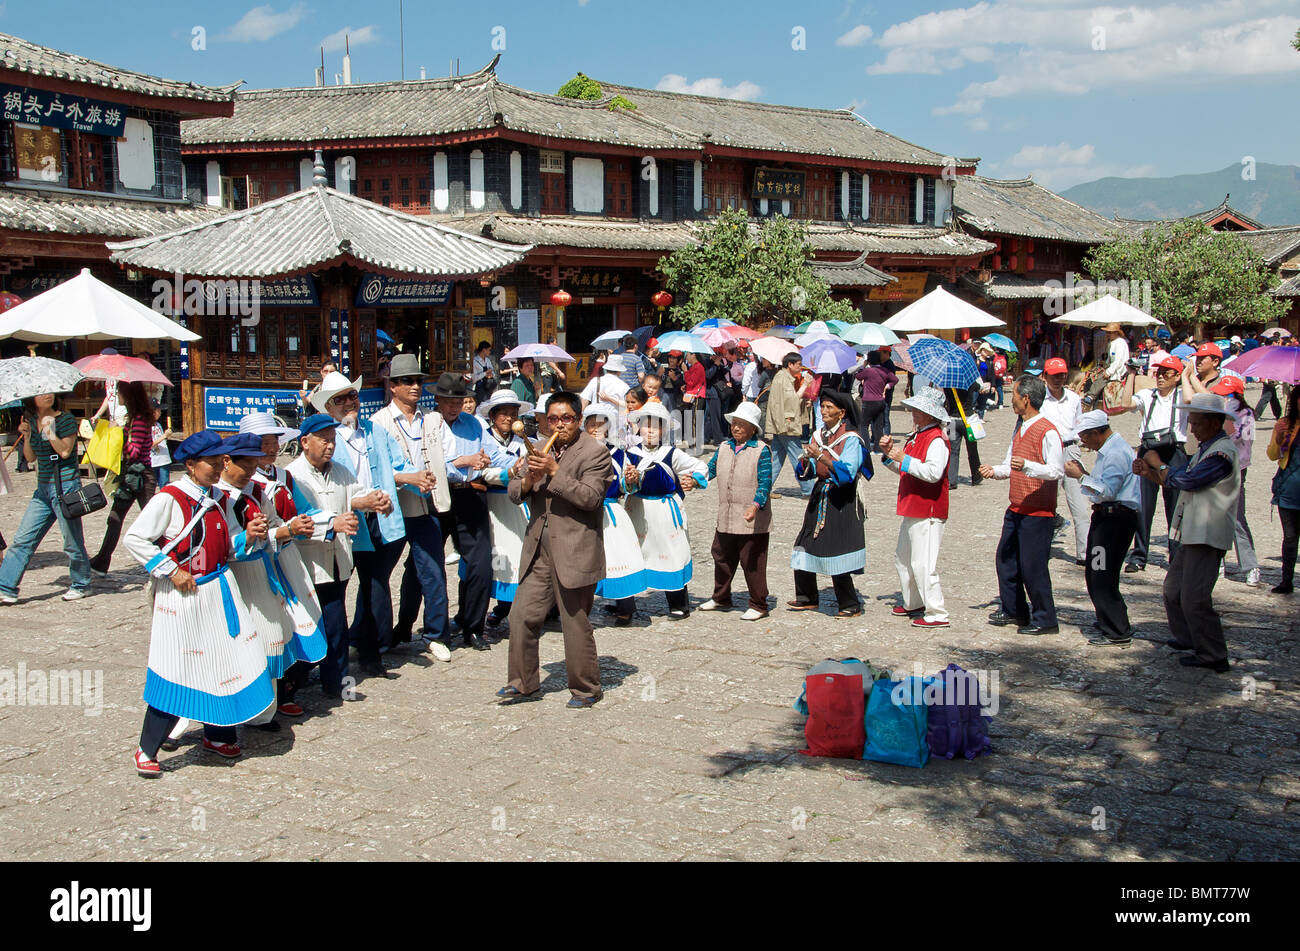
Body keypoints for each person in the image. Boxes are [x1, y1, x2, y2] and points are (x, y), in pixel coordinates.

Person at [122, 431, 276, 776]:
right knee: (177, 666)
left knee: (222, 662)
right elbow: (135, 538)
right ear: (191, 464)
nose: (220, 466)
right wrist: (171, 571)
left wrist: (247, 537)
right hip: (183, 596)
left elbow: (226, 547)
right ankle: (148, 747)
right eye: (212, 461)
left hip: (219, 590)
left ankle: (217, 734)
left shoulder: (219, 498)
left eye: (222, 460)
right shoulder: (170, 498)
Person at [498, 391, 616, 708]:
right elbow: (513, 492)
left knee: (574, 621)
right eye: (552, 419)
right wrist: (528, 479)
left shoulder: (595, 453)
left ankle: (586, 689)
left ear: (579, 421)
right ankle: (523, 683)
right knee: (521, 615)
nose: (559, 425)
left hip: (576, 548)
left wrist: (553, 472)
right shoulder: (537, 448)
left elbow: (590, 498)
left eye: (566, 418)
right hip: (539, 546)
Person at [313, 368, 418, 674]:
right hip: (344, 523)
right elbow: (321, 489)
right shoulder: (326, 441)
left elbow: (397, 465)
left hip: (378, 521)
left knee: (375, 587)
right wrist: (356, 501)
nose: (349, 403)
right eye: (340, 399)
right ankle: (328, 661)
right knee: (334, 592)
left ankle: (373, 653)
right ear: (328, 407)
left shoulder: (374, 431)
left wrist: (414, 478)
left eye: (352, 395)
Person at [286, 414, 395, 698]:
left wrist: (374, 500)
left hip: (337, 563)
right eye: (324, 440)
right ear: (305, 442)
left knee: (336, 626)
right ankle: (291, 682)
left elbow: (354, 493)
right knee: (304, 628)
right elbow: (300, 517)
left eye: (333, 440)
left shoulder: (340, 471)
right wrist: (333, 523)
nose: (330, 446)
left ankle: (336, 684)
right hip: (307, 566)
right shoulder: (293, 475)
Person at [1133, 393, 1241, 673]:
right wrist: (1150, 473)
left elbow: (1187, 480)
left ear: (1215, 422)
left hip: (1207, 533)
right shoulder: (1208, 448)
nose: (1192, 428)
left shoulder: (1221, 453)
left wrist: (1158, 464)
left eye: (1196, 422)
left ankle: (1213, 653)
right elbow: (1178, 479)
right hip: (1191, 532)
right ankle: (1188, 638)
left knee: (1194, 597)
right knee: (1173, 590)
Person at [368, 359, 454, 661]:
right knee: (378, 575)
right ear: (393, 386)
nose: (415, 386)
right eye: (407, 381)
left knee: (432, 571)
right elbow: (372, 471)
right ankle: (373, 639)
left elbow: (450, 456)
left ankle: (435, 633)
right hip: (391, 508)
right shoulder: (378, 422)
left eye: (417, 380)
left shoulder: (432, 419)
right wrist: (408, 477)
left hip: (425, 505)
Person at [980, 374, 1064, 636]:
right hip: (1016, 506)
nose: (1012, 399)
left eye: (1015, 395)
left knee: (1033, 566)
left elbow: (1056, 470)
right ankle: (1014, 608)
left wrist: (1028, 466)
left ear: (1026, 399)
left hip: (1038, 511)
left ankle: (1045, 617)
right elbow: (1010, 463)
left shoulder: (1048, 430)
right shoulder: (1021, 428)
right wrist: (995, 471)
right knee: (1006, 560)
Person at [0, 394, 91, 605]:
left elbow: (66, 451)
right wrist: (29, 434)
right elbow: (31, 458)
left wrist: (49, 429)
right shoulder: (32, 421)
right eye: (42, 393)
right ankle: (6, 587)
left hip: (65, 487)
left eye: (50, 392)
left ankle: (81, 584)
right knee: (23, 538)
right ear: (33, 400)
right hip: (42, 490)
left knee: (71, 541)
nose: (48, 395)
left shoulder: (65, 419)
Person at [621, 402, 709, 620]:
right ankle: (624, 605)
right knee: (631, 554)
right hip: (638, 512)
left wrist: (694, 481)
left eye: (656, 427)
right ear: (638, 428)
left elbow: (700, 467)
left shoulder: (672, 454)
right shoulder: (630, 454)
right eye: (646, 425)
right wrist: (628, 481)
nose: (650, 431)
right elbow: (622, 483)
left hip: (665, 512)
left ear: (664, 430)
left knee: (672, 553)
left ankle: (678, 603)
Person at [788, 390, 870, 618]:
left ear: (841, 413)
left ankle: (849, 603)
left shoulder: (851, 439)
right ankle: (807, 596)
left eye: (829, 408)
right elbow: (812, 471)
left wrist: (822, 457)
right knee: (804, 543)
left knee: (837, 547)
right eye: (822, 407)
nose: (823, 412)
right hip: (821, 492)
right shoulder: (818, 436)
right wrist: (806, 462)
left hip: (841, 498)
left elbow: (848, 472)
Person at [1068, 411, 1142, 648]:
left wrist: (1081, 477)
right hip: (1107, 518)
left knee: (1102, 573)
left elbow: (1108, 491)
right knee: (1095, 571)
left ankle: (1116, 628)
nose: (1083, 442)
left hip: (1115, 521)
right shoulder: (1108, 451)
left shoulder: (1116, 453)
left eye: (1085, 437)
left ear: (1096, 433)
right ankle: (1106, 619)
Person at [878, 387, 951, 628]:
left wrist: (903, 459)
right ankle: (913, 601)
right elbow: (905, 469)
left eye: (918, 410)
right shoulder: (919, 436)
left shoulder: (937, 439)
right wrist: (890, 456)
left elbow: (933, 473)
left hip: (927, 508)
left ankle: (937, 611)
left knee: (924, 563)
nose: (913, 413)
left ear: (930, 414)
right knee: (904, 559)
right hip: (913, 505)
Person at [434, 372, 495, 652]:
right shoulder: (429, 424)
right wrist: (461, 461)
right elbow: (427, 463)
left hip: (471, 493)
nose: (454, 406)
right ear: (438, 400)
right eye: (449, 401)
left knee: (481, 563)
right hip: (437, 497)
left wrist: (487, 459)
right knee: (425, 567)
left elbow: (493, 453)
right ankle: (429, 628)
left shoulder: (473, 424)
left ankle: (474, 626)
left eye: (459, 400)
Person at [1112, 352, 1188, 573]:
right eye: (1159, 372)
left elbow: (1194, 400)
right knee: (1143, 505)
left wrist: (1189, 375)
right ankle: (1139, 554)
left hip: (1175, 451)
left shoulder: (1183, 396)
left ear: (1177, 376)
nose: (1161, 377)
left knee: (1175, 506)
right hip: (1148, 449)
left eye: (1167, 373)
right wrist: (1131, 375)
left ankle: (1176, 554)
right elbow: (1125, 403)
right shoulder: (1148, 395)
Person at [700, 402, 772, 621]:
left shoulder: (761, 450)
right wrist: (695, 481)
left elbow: (765, 482)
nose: (737, 428)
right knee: (721, 554)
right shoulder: (724, 447)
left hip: (752, 516)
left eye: (743, 425)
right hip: (727, 514)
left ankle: (758, 604)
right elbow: (710, 470)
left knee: (752, 560)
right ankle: (721, 597)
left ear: (753, 429)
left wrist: (755, 505)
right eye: (735, 424)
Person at [583, 404, 646, 626]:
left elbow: (625, 486)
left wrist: (629, 480)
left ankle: (625, 605)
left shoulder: (618, 454)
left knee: (617, 557)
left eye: (600, 425)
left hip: (609, 510)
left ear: (608, 428)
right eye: (591, 425)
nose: (595, 430)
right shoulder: (577, 452)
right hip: (583, 512)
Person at [477, 388, 535, 629]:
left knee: (517, 556)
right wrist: (509, 472)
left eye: (513, 414)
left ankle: (511, 608)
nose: (509, 418)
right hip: (492, 505)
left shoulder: (522, 443)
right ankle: (486, 608)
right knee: (495, 558)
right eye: (504, 413)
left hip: (516, 504)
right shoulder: (483, 441)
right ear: (492, 416)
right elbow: (483, 472)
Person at [89, 382, 159, 575]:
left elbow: (135, 451)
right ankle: (101, 561)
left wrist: (118, 435)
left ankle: (170, 557)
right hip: (131, 475)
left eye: (119, 392)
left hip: (141, 476)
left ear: (128, 395)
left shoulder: (138, 420)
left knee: (153, 520)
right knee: (115, 518)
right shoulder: (133, 418)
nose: (116, 395)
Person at [1038, 358, 1088, 564]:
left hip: (1069, 448)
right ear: (1045, 376)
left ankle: (1085, 553)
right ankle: (1040, 546)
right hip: (1047, 451)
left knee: (1080, 504)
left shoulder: (1074, 399)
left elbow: (1079, 425)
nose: (1058, 379)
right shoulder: (1039, 399)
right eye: (1054, 375)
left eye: (1061, 375)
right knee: (1044, 502)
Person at [1212, 376, 1260, 586]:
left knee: (1237, 519)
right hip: (1217, 467)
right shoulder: (1220, 413)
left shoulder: (1246, 414)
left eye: (1226, 394)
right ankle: (1217, 561)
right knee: (1215, 516)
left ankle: (1250, 566)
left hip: (1236, 469)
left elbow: (1237, 437)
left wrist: (1224, 417)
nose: (1222, 397)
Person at [1267, 385, 1300, 594]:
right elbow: (1272, 455)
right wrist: (1279, 438)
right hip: (1288, 488)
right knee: (1290, 537)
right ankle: (1286, 579)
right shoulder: (1285, 424)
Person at [765, 353, 813, 496]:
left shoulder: (783, 377)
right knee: (798, 456)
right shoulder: (782, 378)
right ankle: (808, 489)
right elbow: (791, 401)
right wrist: (805, 385)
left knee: (776, 459)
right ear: (790, 365)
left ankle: (764, 488)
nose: (800, 366)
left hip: (782, 424)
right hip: (786, 425)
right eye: (798, 363)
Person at [856, 351, 898, 454]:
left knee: (863, 425)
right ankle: (878, 449)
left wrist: (863, 366)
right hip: (880, 400)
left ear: (869, 360)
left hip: (869, 400)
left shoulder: (868, 371)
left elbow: (858, 376)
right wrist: (887, 386)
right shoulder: (884, 370)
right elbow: (895, 379)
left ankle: (866, 447)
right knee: (878, 425)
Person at [945, 382, 983, 489]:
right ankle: (976, 476)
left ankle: (951, 480)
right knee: (972, 449)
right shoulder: (969, 381)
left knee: (952, 451)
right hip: (968, 421)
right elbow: (979, 388)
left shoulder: (948, 383)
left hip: (952, 421)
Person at [1083, 323, 1129, 408]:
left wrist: (1109, 371)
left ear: (1116, 333)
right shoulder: (1112, 343)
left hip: (1119, 369)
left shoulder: (1120, 343)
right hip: (1112, 366)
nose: (1108, 334)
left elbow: (1118, 361)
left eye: (1110, 333)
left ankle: (1091, 396)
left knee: (1101, 378)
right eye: (1108, 332)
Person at [579, 352, 630, 420]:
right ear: (619, 371)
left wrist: (581, 417)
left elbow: (584, 400)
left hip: (596, 419)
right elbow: (627, 405)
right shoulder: (624, 386)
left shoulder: (595, 381)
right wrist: (610, 399)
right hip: (615, 421)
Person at [682, 352, 707, 453]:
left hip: (697, 397)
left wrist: (685, 371)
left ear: (694, 355)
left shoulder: (698, 367)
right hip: (692, 395)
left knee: (694, 421)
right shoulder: (694, 366)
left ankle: (694, 444)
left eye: (687, 355)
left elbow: (691, 382)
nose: (686, 357)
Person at [150, 407, 172, 487]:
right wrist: (164, 435)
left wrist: (166, 435)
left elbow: (162, 440)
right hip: (153, 461)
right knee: (150, 487)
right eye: (158, 410)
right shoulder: (146, 426)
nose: (160, 413)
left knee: (165, 486)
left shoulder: (158, 424)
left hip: (164, 460)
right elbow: (150, 444)